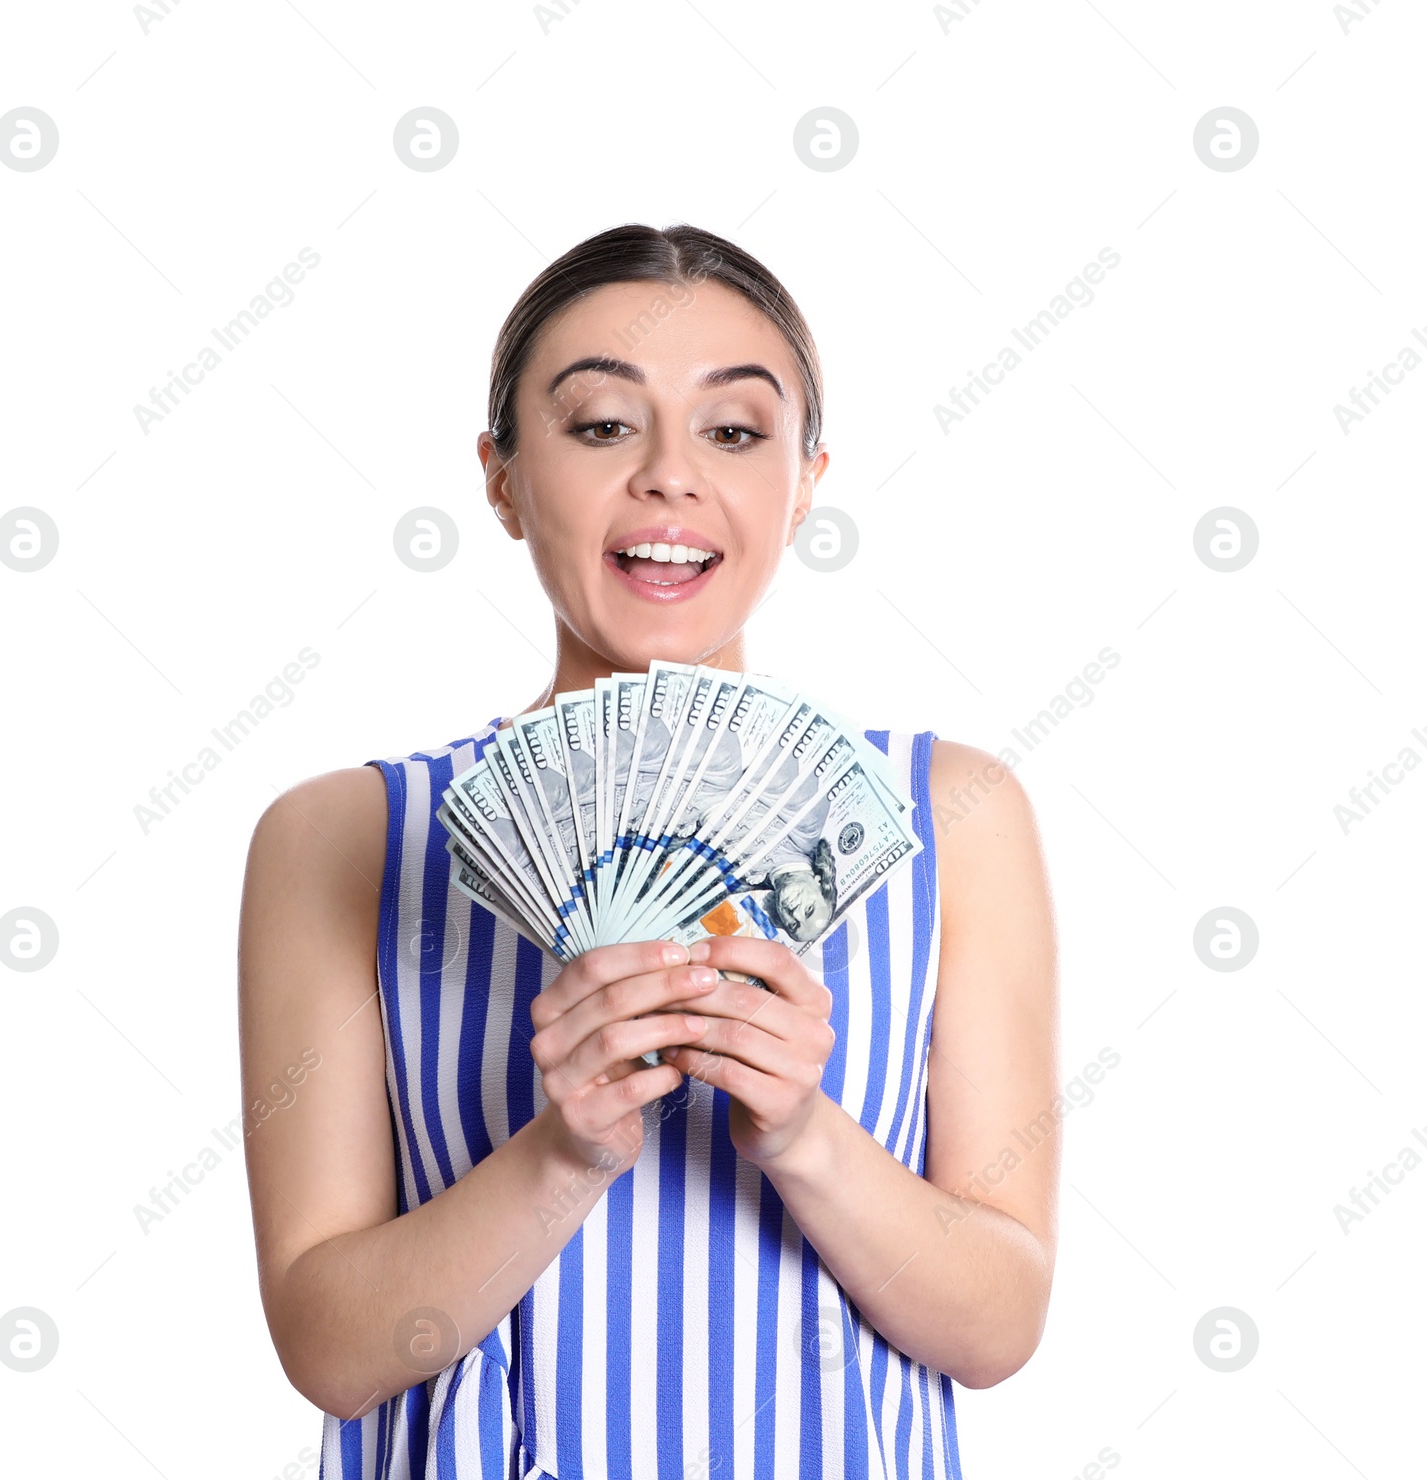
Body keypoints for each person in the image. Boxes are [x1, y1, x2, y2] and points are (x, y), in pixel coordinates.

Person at [237, 223, 1060, 1479]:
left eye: (734, 431)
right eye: (602, 424)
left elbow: (998, 1322)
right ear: (502, 479)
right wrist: (566, 1151)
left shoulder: (948, 814)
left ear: (807, 477)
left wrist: (803, 1136)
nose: (670, 478)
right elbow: (331, 1348)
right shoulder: (345, 838)